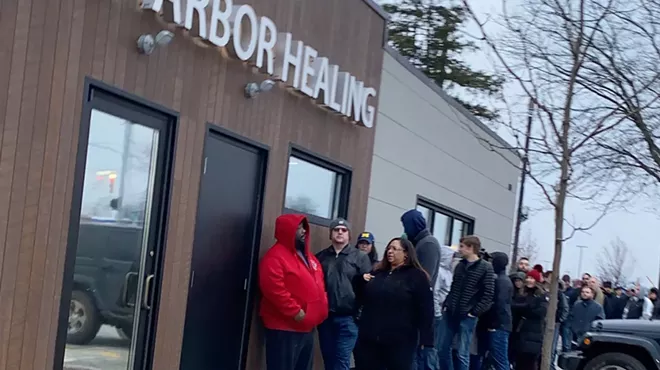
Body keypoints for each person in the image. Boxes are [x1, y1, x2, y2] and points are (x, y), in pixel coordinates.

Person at [259, 214, 329, 370]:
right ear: (288, 230)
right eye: (299, 228)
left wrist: (321, 308)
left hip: (307, 327)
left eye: (304, 227)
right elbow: (274, 290)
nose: (304, 231)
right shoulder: (275, 257)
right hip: (284, 329)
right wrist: (296, 312)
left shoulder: (309, 257)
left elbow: (320, 283)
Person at [353, 238, 434, 370]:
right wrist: (361, 281)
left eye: (395, 249)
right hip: (370, 337)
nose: (390, 252)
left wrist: (427, 339)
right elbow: (360, 294)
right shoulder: (378, 272)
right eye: (388, 248)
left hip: (400, 340)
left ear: (406, 253)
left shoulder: (417, 276)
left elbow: (426, 308)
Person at [316, 218, 372, 370]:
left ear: (349, 235)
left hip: (348, 318)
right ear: (331, 234)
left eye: (344, 230)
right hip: (325, 318)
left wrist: (359, 315)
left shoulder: (360, 257)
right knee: (328, 358)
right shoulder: (321, 257)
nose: (340, 232)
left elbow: (367, 288)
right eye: (336, 230)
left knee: (342, 360)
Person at [437, 236, 494, 370]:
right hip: (451, 311)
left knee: (462, 353)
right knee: (442, 348)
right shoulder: (460, 265)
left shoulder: (485, 267)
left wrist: (474, 312)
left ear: (471, 248)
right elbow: (454, 287)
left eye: (462, 246)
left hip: (467, 315)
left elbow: (488, 294)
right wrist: (447, 304)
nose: (459, 249)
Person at [476, 252, 512, 370]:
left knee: (499, 360)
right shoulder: (502, 280)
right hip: (498, 324)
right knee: (492, 359)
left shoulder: (501, 281)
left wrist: (493, 324)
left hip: (498, 325)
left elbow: (499, 304)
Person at [510, 269, 549, 370]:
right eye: (528, 278)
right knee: (518, 363)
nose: (529, 280)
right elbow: (514, 307)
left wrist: (525, 308)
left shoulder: (541, 296)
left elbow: (540, 312)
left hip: (534, 334)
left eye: (532, 278)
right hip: (520, 333)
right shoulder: (522, 294)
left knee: (530, 363)